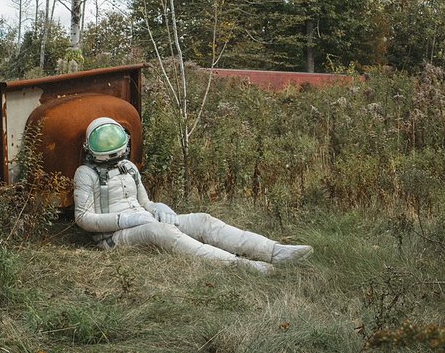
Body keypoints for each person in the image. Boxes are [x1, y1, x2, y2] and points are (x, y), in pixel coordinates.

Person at [73, 117, 311, 274]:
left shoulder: (130, 168)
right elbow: (83, 218)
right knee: (163, 231)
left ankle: (274, 251)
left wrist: (158, 208)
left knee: (202, 220)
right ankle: (241, 266)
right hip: (113, 238)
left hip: (146, 220)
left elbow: (145, 202)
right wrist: (125, 221)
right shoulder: (85, 173)